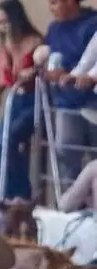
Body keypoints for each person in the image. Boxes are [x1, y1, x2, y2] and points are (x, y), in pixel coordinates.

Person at [0, 1, 43, 201]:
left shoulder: (35, 41)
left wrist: (33, 71)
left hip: (31, 101)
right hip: (13, 101)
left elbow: (42, 71)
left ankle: (19, 193)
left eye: (6, 22)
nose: (2, 27)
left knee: (9, 141)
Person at [39, 0, 97, 187]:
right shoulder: (54, 29)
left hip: (92, 102)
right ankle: (68, 208)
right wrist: (48, 74)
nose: (51, 8)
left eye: (55, 2)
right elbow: (48, 62)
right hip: (65, 103)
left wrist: (69, 76)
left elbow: (89, 64)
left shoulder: (92, 24)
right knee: (66, 157)